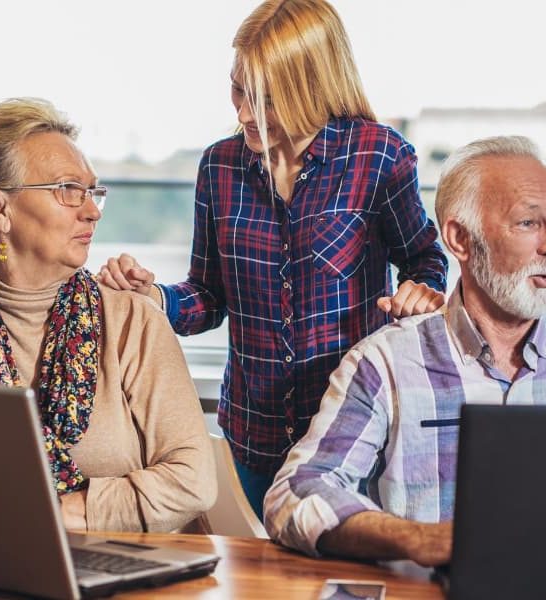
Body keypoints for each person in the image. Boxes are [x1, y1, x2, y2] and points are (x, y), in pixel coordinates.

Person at [98, 0, 448, 519]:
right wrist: (154, 298)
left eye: (266, 98)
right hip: (251, 438)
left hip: (350, 438)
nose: (243, 113)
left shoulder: (379, 158)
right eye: (238, 89)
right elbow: (209, 295)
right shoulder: (219, 166)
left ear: (312, 86)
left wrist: (420, 292)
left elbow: (425, 260)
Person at [264, 136, 546, 566]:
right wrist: (419, 540)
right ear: (459, 239)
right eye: (529, 224)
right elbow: (295, 491)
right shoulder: (384, 364)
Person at [0, 98, 216, 533]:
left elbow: (194, 479)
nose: (92, 210)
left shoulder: (132, 323)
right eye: (67, 190)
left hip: (131, 574)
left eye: (92, 191)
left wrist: (70, 512)